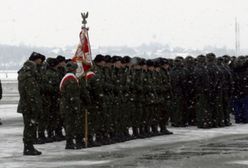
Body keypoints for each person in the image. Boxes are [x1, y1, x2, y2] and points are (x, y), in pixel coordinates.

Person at [17, 52, 43, 155]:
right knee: (30, 126)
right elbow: (32, 94)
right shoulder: (29, 75)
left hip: (27, 105)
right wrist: (36, 108)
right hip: (29, 106)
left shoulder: (25, 73)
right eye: (39, 60)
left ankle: (29, 146)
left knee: (30, 126)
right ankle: (28, 147)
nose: (40, 62)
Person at [60, 61, 81, 149]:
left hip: (66, 104)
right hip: (69, 105)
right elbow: (72, 95)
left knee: (69, 124)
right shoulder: (71, 79)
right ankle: (69, 143)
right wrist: (76, 106)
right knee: (70, 124)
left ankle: (70, 142)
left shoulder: (67, 77)